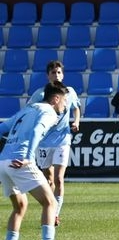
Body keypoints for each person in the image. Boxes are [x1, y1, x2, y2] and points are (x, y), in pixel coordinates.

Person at [0, 81, 73, 240]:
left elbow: (3, 127)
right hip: (20, 161)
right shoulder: (48, 112)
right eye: (64, 102)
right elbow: (36, 130)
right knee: (50, 203)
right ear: (56, 99)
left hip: (3, 161)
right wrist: (29, 157)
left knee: (20, 206)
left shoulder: (29, 108)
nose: (65, 106)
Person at [26, 60, 81, 228]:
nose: (56, 75)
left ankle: (55, 214)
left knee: (58, 178)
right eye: (53, 73)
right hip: (43, 142)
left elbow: (76, 108)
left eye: (59, 72)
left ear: (62, 75)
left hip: (63, 140)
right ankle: (50, 208)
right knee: (48, 179)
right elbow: (29, 111)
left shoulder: (69, 92)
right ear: (47, 75)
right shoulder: (40, 94)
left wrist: (76, 121)